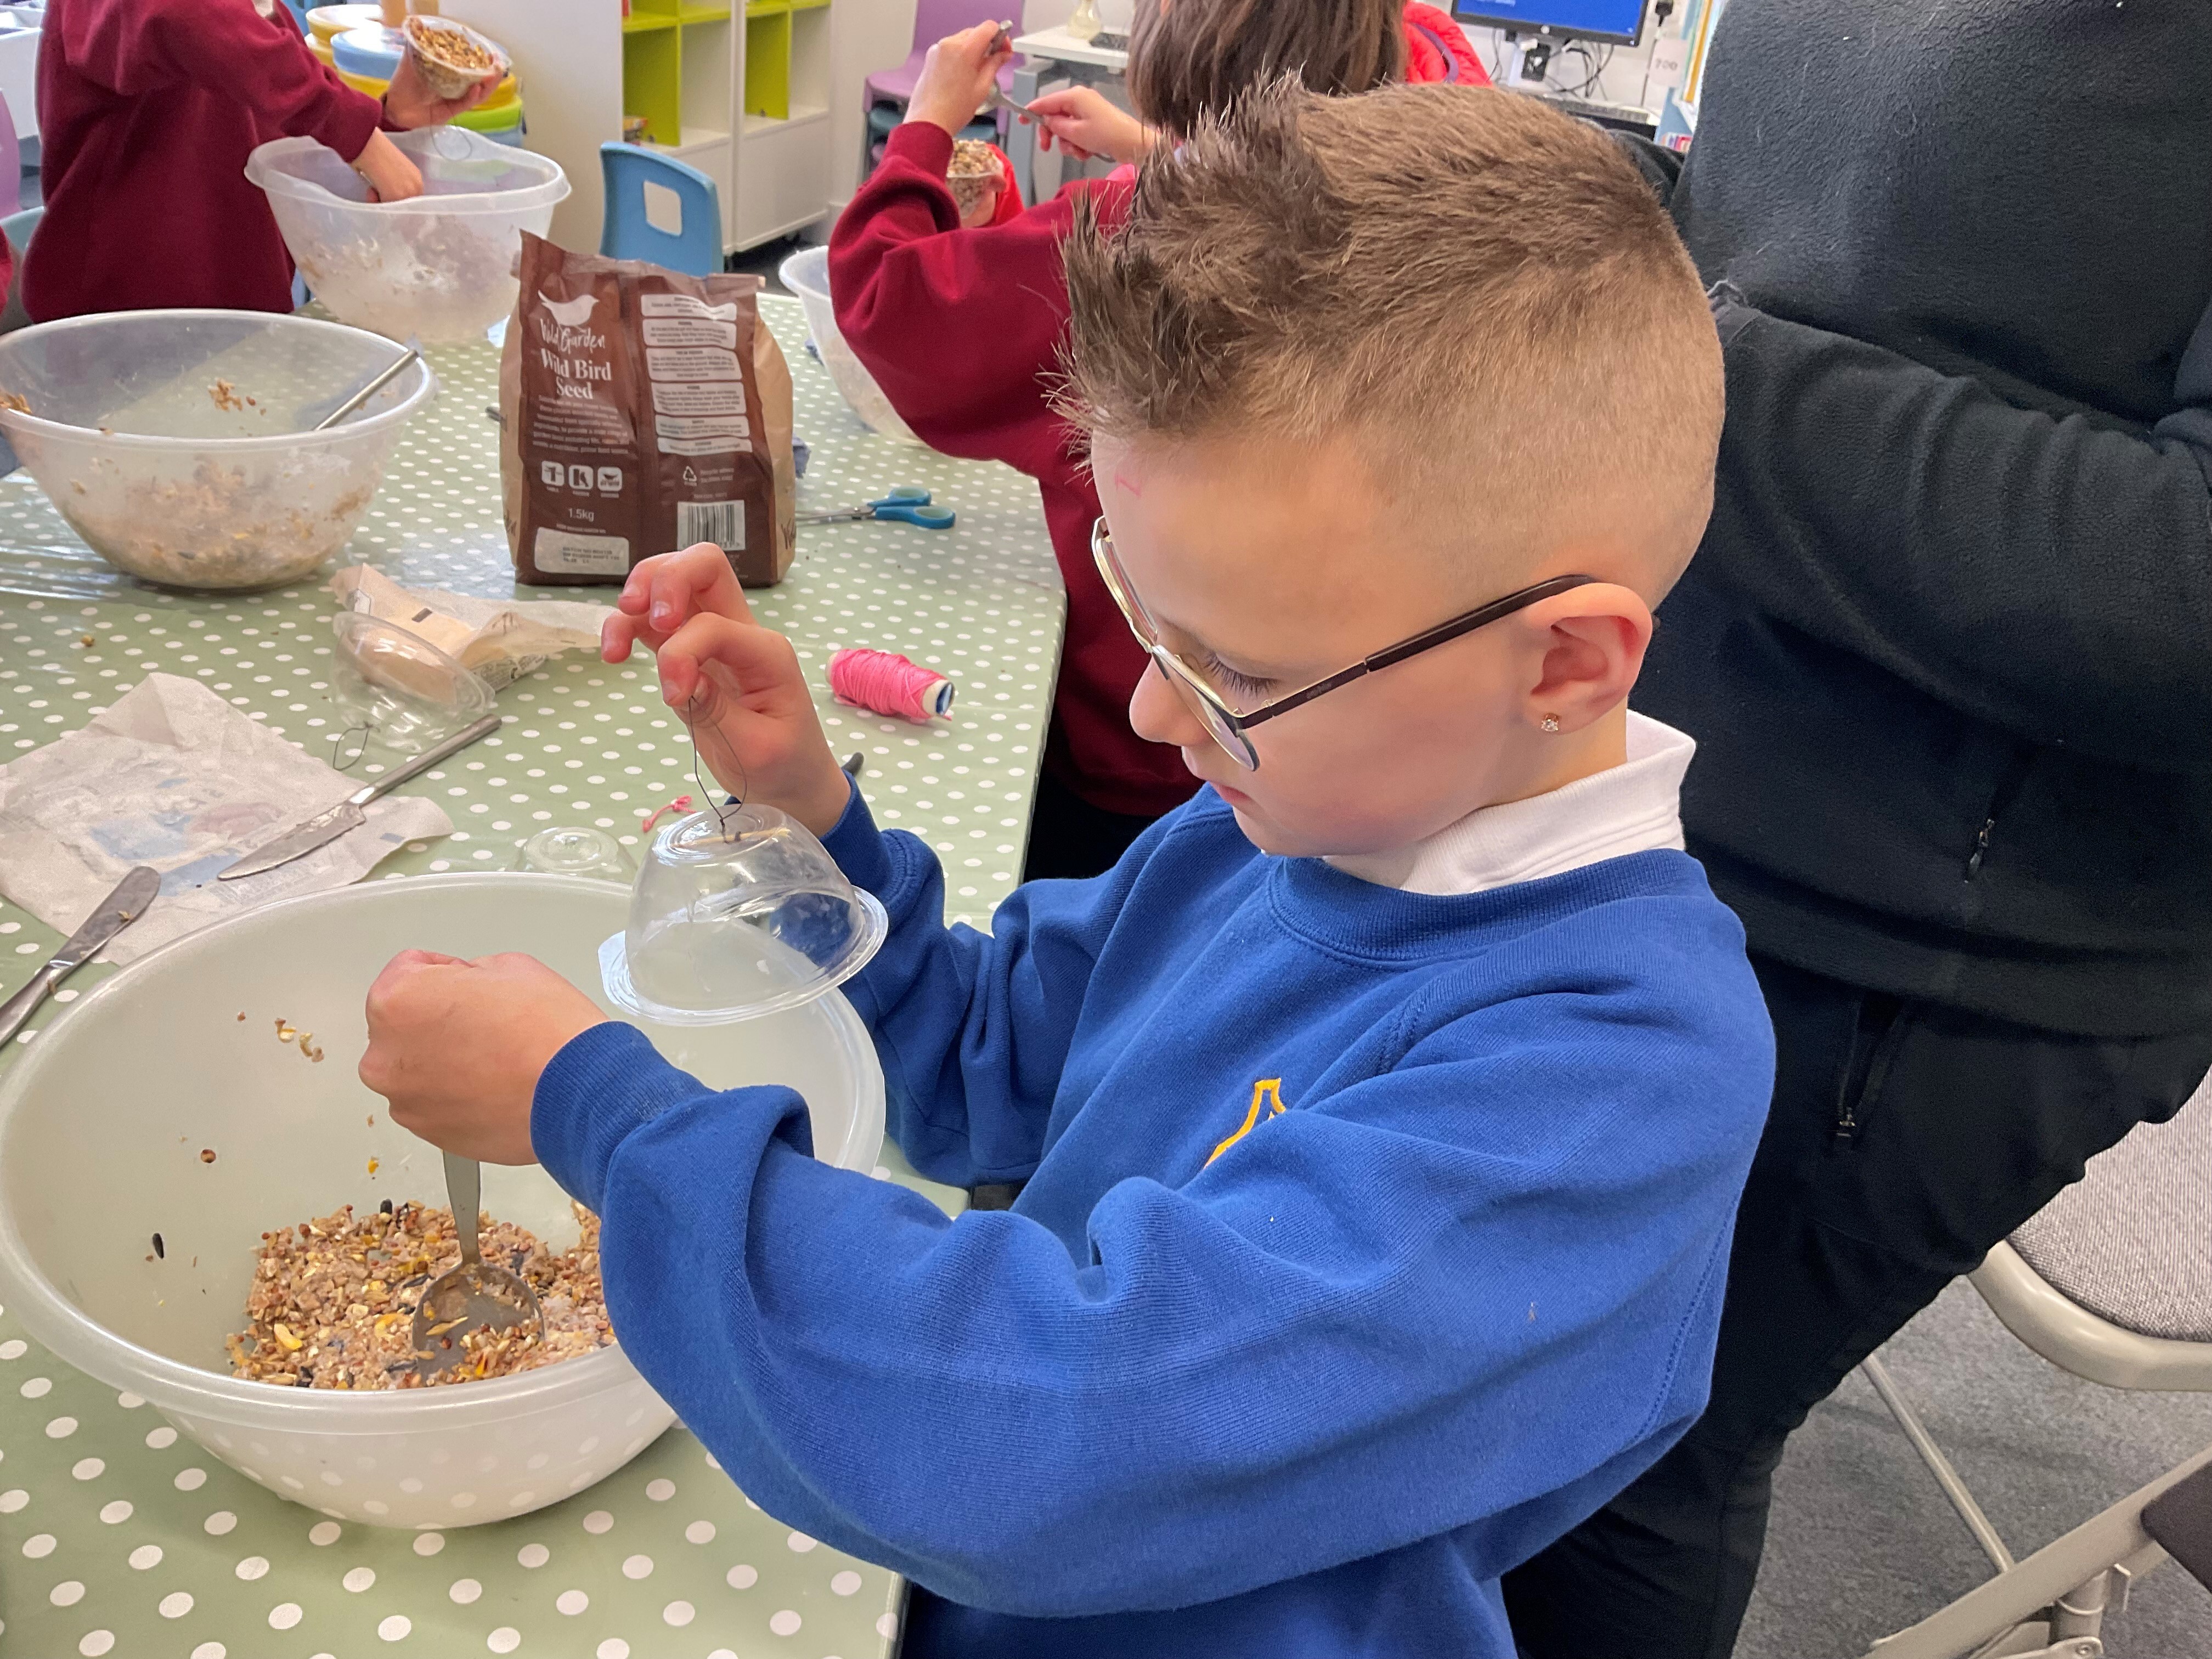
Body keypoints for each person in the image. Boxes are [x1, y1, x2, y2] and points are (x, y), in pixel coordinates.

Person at [359, 83, 1770, 1659]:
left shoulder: (1614, 1080)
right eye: (1138, 606)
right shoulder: (1284, 818)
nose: (1161, 712)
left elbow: (1058, 1444)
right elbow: (982, 1062)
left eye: (1227, 661)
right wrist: (813, 813)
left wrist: (597, 1114)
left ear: (1565, 663)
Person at [1499, 2, 2212, 1654]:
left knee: (1621, 1462)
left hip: (1930, 956)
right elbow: (1856, 239)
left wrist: (1665, 352)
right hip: (1672, 796)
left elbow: (2185, 594)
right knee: (1509, 1382)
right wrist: (1571, 205)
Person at [832, 1, 1479, 881]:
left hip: (1129, 746)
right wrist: (1153, 143)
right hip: (1320, 766)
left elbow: (887, 297)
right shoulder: (1414, 248)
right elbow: (1277, 173)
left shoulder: (1115, 238)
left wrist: (927, 127)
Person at [25, 0, 491, 324]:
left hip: (241, 325)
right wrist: (358, 133)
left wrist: (392, 122)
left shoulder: (267, 22)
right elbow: (182, 14)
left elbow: (298, 162)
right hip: (118, 334)